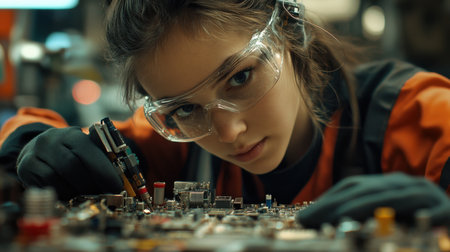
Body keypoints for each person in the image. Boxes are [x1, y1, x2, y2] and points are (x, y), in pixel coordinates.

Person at [0, 0, 449, 229]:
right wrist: (28, 143)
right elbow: (46, 134)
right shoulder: (168, 143)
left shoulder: (414, 115)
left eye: (240, 78)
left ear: (290, 32)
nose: (229, 131)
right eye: (186, 108)